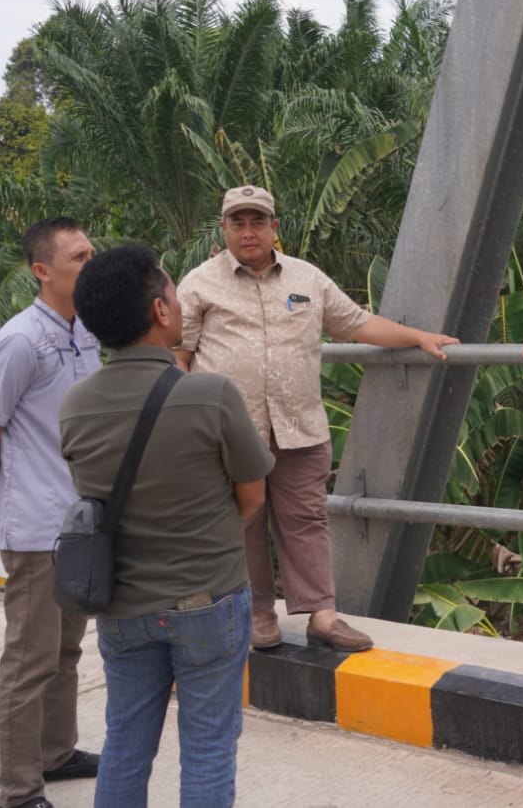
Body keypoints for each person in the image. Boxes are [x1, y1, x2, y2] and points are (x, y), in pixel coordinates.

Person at [174, 184, 458, 652]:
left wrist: (419, 336)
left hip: (299, 427)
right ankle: (259, 613)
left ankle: (323, 615)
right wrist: (189, 421)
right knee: (243, 524)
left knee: (306, 519)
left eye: (258, 222)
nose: (249, 232)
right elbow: (179, 355)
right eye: (238, 223)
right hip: (229, 434)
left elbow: (358, 323)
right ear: (223, 227)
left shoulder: (307, 279)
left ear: (274, 228)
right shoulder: (200, 283)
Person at [62, 245, 273, 808]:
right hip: (209, 599)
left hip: (123, 608)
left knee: (126, 743)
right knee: (207, 746)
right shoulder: (210, 394)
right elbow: (252, 493)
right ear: (160, 311)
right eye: (174, 294)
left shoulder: (76, 405)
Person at [0, 217, 103, 808]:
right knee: (28, 661)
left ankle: (56, 751)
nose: (91, 264)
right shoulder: (21, 339)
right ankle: (18, 792)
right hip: (37, 527)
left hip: (82, 523)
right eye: (78, 257)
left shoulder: (91, 332)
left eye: (93, 253)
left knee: (67, 650)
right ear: (42, 271)